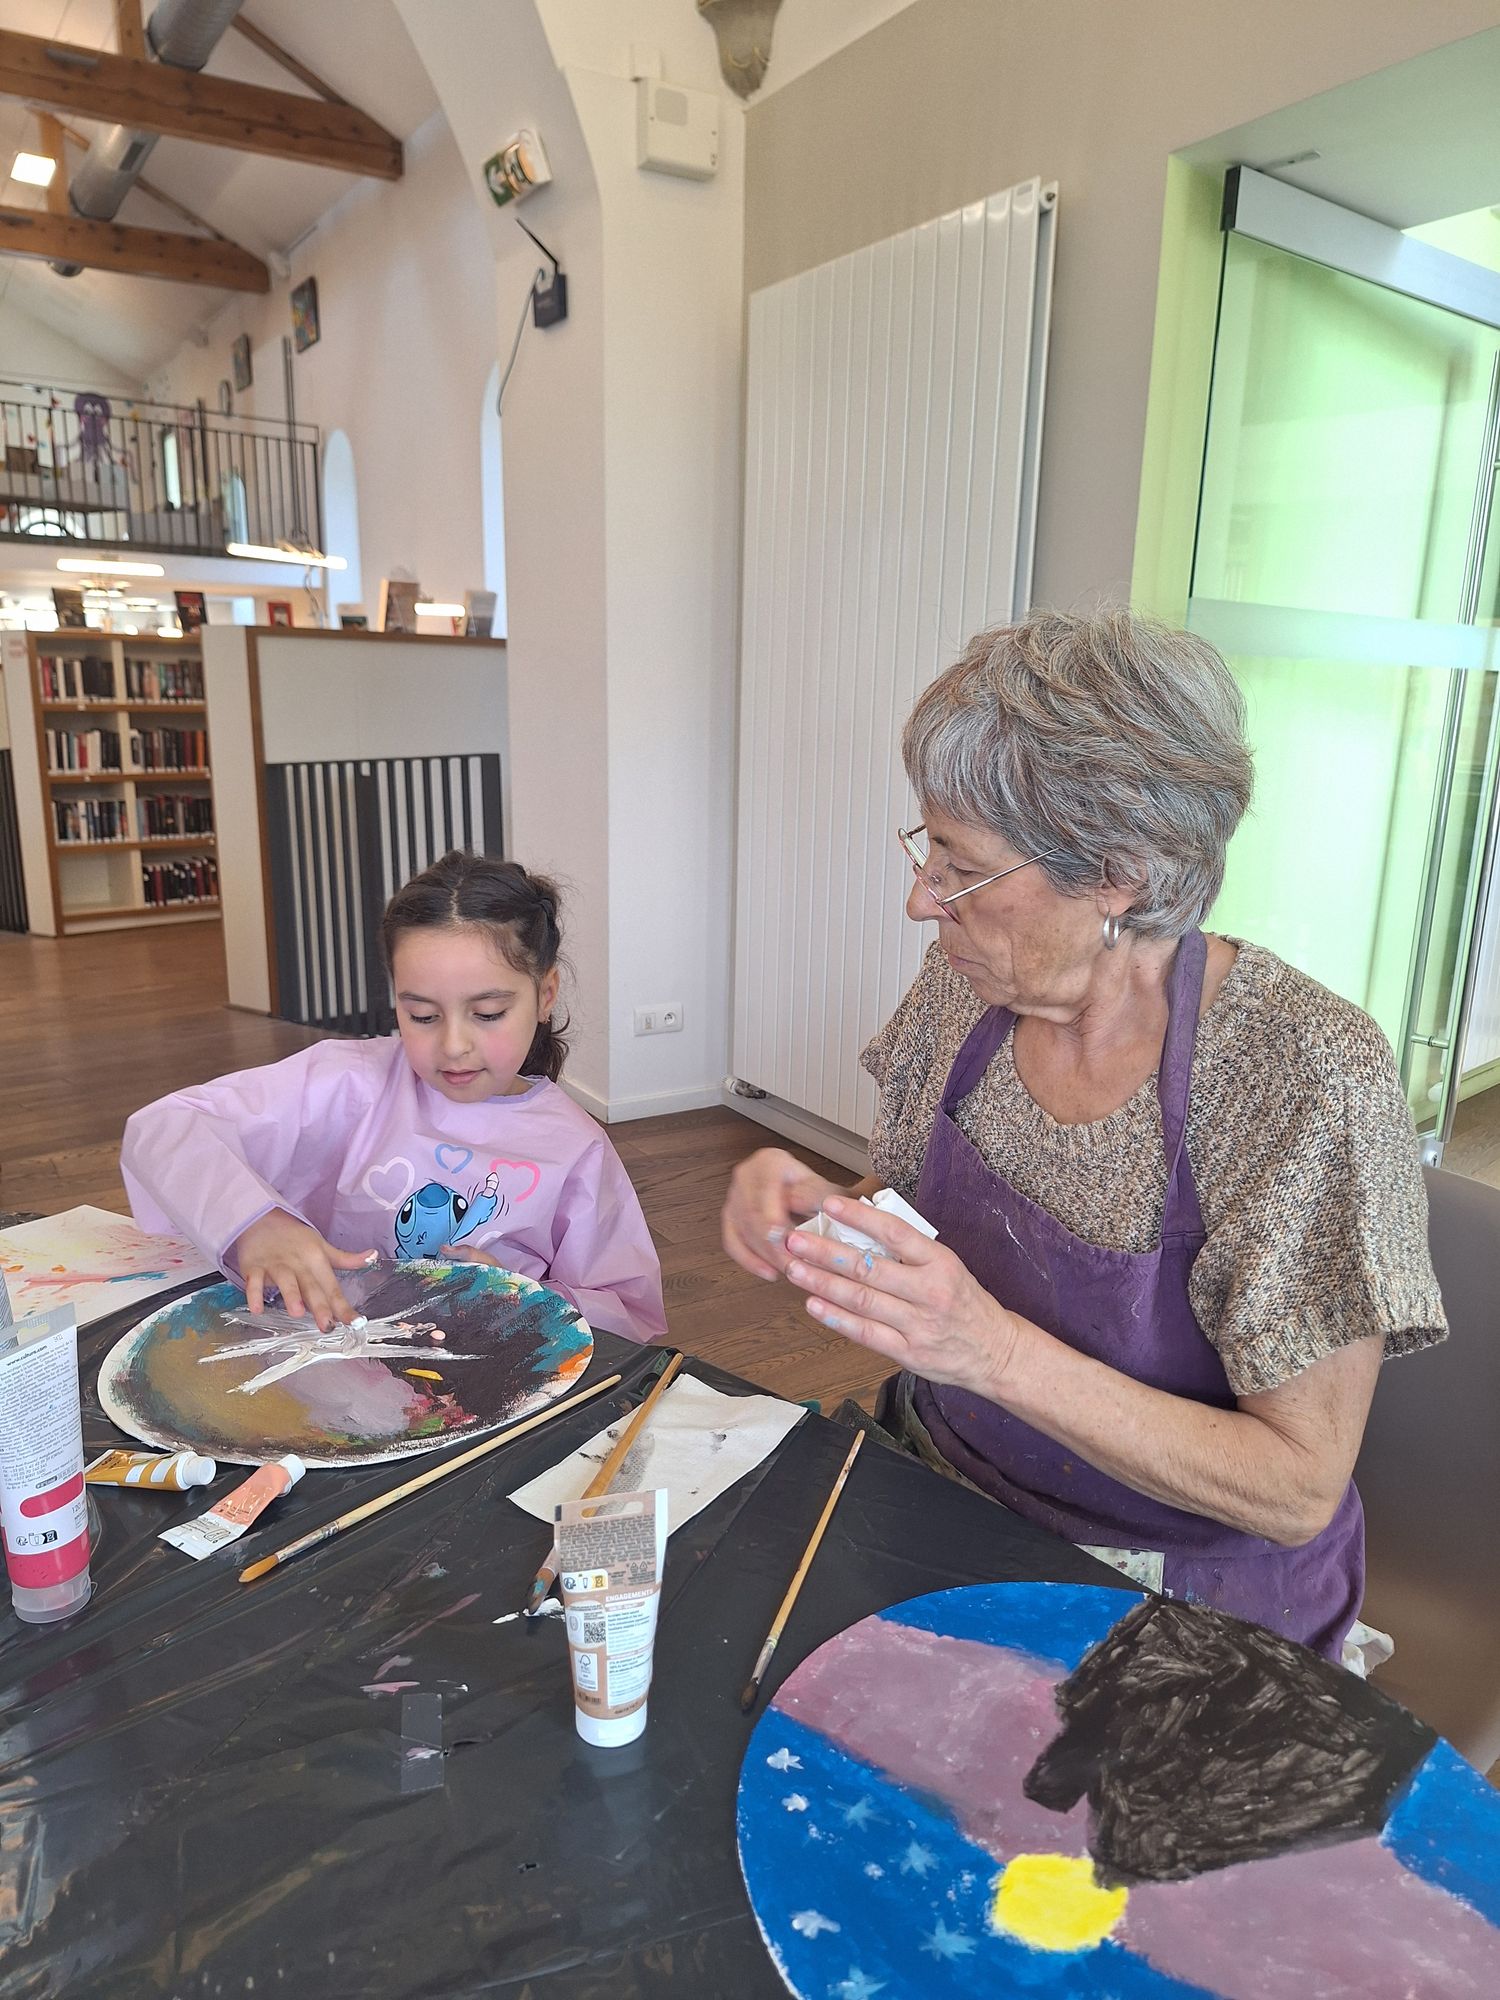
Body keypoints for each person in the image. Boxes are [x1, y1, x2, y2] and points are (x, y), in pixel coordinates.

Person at [723, 610, 1445, 1663]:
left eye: (961, 866)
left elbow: (1296, 1487)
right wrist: (835, 1214)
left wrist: (992, 1352)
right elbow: (920, 1212)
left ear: (1120, 876)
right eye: (928, 845)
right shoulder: (970, 984)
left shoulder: (1302, 1074)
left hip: (1180, 1594)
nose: (921, 899)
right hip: (941, 1484)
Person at [124, 850, 666, 1345]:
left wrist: (524, 1301)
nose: (453, 1045)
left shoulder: (575, 1148)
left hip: (479, 1381)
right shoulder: (349, 1080)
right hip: (327, 1355)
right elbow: (163, 1127)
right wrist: (255, 1224)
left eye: (488, 1013)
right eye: (422, 1016)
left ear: (545, 995)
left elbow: (628, 1314)